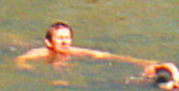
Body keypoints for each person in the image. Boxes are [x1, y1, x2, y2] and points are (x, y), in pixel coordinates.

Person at [16, 21, 155, 67]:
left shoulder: (73, 51)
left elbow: (103, 55)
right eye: (60, 38)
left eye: (67, 38)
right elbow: (20, 59)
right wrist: (25, 66)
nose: (65, 42)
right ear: (49, 42)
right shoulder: (42, 52)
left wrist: (140, 62)